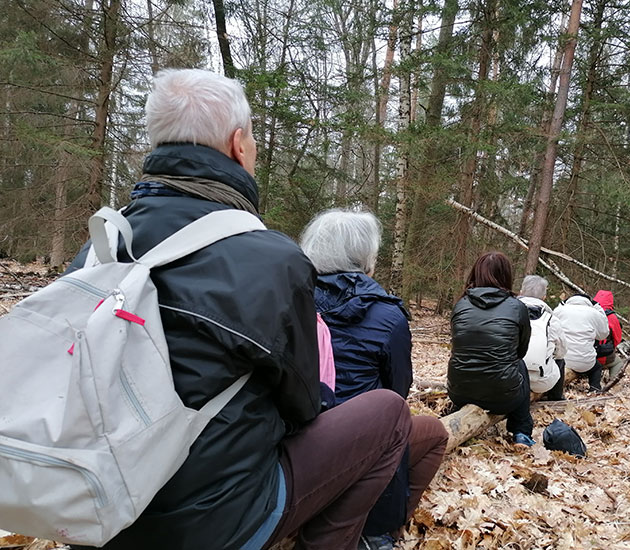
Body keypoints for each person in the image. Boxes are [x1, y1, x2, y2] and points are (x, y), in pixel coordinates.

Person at [67, 68, 412, 550]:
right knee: (389, 412)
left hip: (97, 510)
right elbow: (304, 406)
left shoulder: (98, 248)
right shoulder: (271, 259)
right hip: (216, 523)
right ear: (237, 145)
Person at [300, 209, 448, 550]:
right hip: (357, 444)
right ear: (365, 258)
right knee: (433, 432)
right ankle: (380, 531)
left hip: (292, 443)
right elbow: (397, 393)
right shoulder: (387, 314)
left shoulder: (286, 298)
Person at [447, 251, 535, 447]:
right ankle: (521, 430)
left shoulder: (460, 305)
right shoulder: (517, 307)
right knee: (519, 364)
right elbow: (521, 351)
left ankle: (459, 407)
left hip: (458, 392)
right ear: (506, 275)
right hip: (502, 397)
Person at [518, 275, 567, 401]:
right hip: (540, 381)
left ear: (521, 292)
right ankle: (556, 397)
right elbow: (561, 352)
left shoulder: (508, 314)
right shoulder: (552, 320)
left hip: (510, 377)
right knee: (560, 361)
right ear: (544, 297)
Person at [552, 292, 609, 391]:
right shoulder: (594, 313)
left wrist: (561, 304)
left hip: (563, 359)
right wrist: (598, 307)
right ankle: (595, 389)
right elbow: (603, 335)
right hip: (585, 361)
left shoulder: (560, 310)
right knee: (597, 368)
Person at [593, 290, 623, 381]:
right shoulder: (612, 318)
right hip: (601, 355)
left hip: (581, 353)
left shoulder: (587, 312)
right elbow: (617, 339)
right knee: (618, 362)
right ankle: (612, 383)